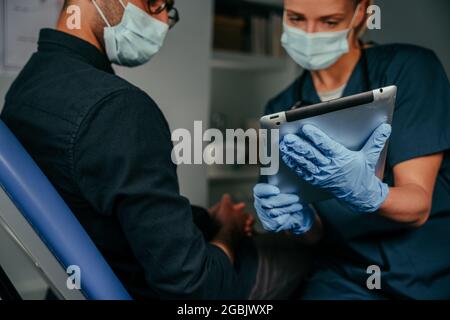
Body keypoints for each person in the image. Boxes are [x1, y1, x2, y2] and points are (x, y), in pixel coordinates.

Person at [1, 0, 309, 299]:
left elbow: (102, 200)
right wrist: (228, 230)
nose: (162, 21)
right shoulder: (119, 109)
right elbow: (194, 287)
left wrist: (206, 218)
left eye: (167, 9)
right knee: (300, 256)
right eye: (153, 3)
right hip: (148, 287)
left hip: (82, 278)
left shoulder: (27, 87)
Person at [254, 0, 450, 299]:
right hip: (344, 277)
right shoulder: (280, 108)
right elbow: (315, 234)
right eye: (295, 18)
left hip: (425, 273)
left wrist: (368, 193)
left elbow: (418, 206)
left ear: (361, 12)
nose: (309, 33)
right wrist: (300, 222)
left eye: (329, 22)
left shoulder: (409, 68)